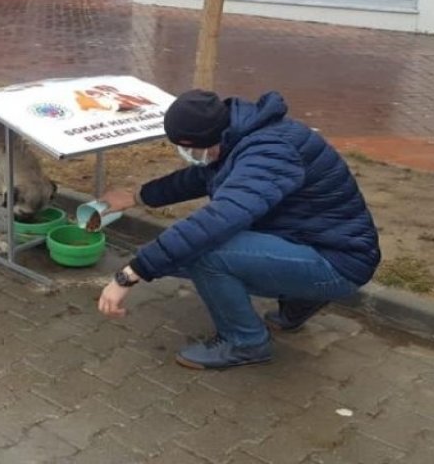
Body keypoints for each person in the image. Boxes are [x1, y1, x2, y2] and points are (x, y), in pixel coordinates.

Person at [97, 89, 380, 369]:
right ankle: (300, 301)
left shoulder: (269, 154)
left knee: (205, 254)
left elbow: (216, 221)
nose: (188, 155)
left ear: (204, 140)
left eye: (188, 149)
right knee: (177, 255)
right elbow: (199, 178)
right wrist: (136, 197)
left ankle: (245, 343)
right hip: (312, 241)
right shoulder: (239, 135)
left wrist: (130, 274)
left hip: (337, 262)